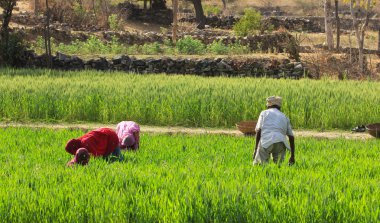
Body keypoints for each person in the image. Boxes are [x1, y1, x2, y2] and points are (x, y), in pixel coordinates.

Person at [253, 96, 295, 165]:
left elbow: (258, 130)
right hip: (281, 142)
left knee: (259, 166)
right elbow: (291, 137)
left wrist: (256, 149)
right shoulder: (284, 116)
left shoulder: (264, 113)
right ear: (279, 107)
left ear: (269, 106)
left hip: (266, 140)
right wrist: (292, 156)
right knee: (278, 167)